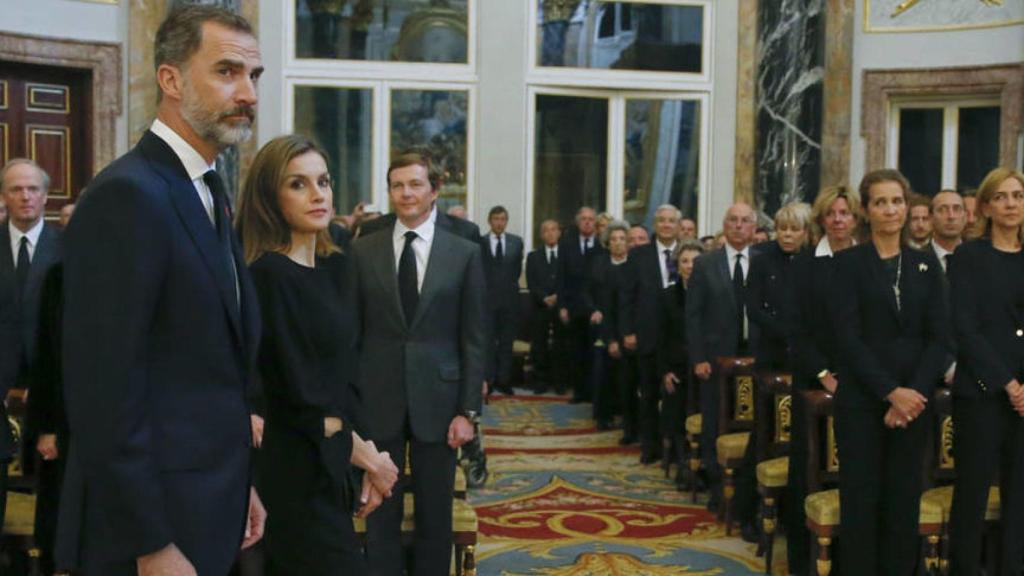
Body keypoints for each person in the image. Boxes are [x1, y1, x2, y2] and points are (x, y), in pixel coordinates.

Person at [61, 6, 266, 573]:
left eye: (254, 76)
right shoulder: (128, 196)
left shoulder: (206, 188)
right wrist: (150, 542)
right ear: (171, 80)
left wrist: (238, 486)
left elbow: (205, 369)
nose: (247, 92)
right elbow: (104, 393)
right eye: (227, 71)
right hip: (152, 532)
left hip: (208, 505)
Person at [236, 135, 400, 574]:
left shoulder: (337, 268)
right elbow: (299, 396)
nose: (317, 194)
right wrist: (367, 456)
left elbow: (347, 376)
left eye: (323, 181)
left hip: (335, 463)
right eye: (298, 184)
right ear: (271, 198)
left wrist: (368, 458)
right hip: (294, 469)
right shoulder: (268, 276)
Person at [351, 151, 486, 576]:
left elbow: (475, 338)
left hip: (441, 402)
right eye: (397, 185)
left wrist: (469, 412)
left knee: (435, 514)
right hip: (378, 396)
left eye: (415, 184)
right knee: (379, 507)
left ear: (434, 191)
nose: (406, 193)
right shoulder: (364, 249)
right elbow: (352, 334)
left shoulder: (463, 252)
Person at [833, 169, 949, 575]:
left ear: (908, 206)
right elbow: (846, 339)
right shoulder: (846, 264)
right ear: (866, 210)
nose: (890, 210)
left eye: (897, 201)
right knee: (861, 505)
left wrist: (911, 395)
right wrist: (889, 393)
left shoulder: (925, 265)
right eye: (880, 202)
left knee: (903, 505)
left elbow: (941, 338)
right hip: (863, 404)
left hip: (913, 408)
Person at [948, 167, 1024, 575]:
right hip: (981, 394)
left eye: (1018, 196)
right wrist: (1009, 384)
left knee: (1020, 497)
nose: (1012, 204)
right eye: (1003, 197)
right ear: (987, 207)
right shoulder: (968, 257)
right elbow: (965, 327)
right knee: (972, 493)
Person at [785, 185, 860, 575]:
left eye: (845, 213)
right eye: (831, 213)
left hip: (864, 382)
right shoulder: (805, 266)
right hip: (816, 380)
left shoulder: (870, 262)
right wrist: (823, 375)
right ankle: (805, 561)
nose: (838, 220)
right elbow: (796, 330)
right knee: (810, 470)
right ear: (821, 220)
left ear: (856, 219)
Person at [0, 158, 62, 532]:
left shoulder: (69, 248)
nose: (25, 196)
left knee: (50, 505)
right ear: (4, 196)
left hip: (50, 391)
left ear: (46, 195)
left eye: (33, 189)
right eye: (16, 189)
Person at [686, 202, 759, 512]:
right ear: (724, 225)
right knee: (717, 423)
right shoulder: (706, 263)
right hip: (716, 359)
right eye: (733, 220)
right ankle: (718, 491)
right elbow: (694, 316)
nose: (739, 226)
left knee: (753, 424)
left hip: (757, 358)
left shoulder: (764, 261)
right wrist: (698, 357)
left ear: (754, 228)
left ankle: (747, 493)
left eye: (745, 221)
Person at [621, 205, 682, 464]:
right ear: (654, 225)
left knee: (676, 397)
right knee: (647, 395)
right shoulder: (638, 256)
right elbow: (626, 297)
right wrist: (627, 330)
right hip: (647, 335)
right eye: (662, 221)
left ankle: (677, 451)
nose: (667, 225)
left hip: (679, 339)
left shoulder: (688, 254)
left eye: (671, 221)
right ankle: (650, 447)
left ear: (678, 226)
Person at [657, 240, 703, 483]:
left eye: (695, 261)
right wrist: (665, 371)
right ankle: (683, 464)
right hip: (675, 369)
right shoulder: (667, 296)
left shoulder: (710, 295)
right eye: (685, 261)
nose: (690, 266)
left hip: (703, 368)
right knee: (676, 412)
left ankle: (701, 465)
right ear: (678, 265)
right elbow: (660, 338)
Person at [583, 220, 630, 430]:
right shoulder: (598, 263)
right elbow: (586, 291)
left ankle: (625, 414)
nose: (618, 243)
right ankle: (603, 415)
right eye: (614, 239)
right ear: (607, 243)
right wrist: (594, 309)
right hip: (603, 322)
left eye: (622, 239)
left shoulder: (633, 264)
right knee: (603, 370)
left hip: (628, 325)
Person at [558, 206, 606, 402]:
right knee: (577, 351)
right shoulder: (567, 244)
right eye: (584, 219)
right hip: (574, 306)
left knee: (595, 352)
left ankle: (594, 393)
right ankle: (579, 392)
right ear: (578, 222)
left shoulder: (602, 245)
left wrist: (600, 308)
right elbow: (561, 277)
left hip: (596, 308)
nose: (587, 222)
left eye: (591, 219)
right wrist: (562, 305)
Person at [480, 206, 524, 395]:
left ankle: (504, 380)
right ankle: (488, 380)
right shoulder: (479, 242)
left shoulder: (516, 242)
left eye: (503, 219)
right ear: (490, 221)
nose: (499, 222)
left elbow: (515, 271)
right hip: (487, 300)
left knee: (507, 342)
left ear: (506, 221)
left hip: (510, 300)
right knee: (488, 342)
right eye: (496, 219)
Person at [525, 219, 567, 394]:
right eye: (546, 230)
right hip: (540, 307)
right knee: (539, 345)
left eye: (553, 229)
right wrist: (544, 298)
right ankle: (540, 381)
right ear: (542, 235)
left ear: (559, 232)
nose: (550, 233)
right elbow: (531, 282)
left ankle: (559, 382)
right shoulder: (533, 256)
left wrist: (558, 297)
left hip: (562, 307)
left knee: (561, 345)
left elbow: (570, 280)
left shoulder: (567, 255)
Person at [929, 189, 966, 273]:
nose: (951, 216)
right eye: (942, 209)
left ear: (965, 216)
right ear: (931, 217)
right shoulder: (915, 259)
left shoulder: (978, 258)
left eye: (956, 209)